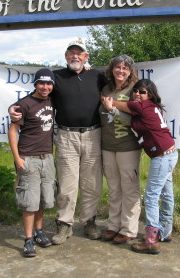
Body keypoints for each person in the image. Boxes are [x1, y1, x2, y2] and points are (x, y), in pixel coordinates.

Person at [10, 40, 107, 245]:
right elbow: (38, 95)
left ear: (86, 57)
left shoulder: (97, 75)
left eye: (79, 54)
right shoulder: (57, 77)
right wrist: (14, 106)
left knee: (92, 184)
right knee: (67, 185)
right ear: (65, 56)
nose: (75, 56)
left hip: (93, 135)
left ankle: (89, 221)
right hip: (66, 137)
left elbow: (116, 89)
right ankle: (64, 224)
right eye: (71, 53)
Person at [102, 79, 178, 255]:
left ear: (150, 95)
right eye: (135, 91)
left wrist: (106, 100)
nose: (137, 94)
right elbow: (128, 120)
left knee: (151, 197)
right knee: (167, 195)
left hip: (162, 156)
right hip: (169, 153)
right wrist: (112, 110)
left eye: (142, 92)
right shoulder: (148, 108)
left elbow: (114, 103)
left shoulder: (143, 106)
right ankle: (164, 233)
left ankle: (151, 240)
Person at [8, 68, 57, 257]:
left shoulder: (53, 101)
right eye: (41, 83)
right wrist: (17, 157)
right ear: (35, 84)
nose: (45, 87)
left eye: (49, 83)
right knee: (29, 202)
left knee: (43, 199)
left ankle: (39, 232)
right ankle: (28, 240)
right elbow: (13, 131)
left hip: (47, 157)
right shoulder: (24, 104)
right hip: (28, 158)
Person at [99, 55, 141, 244]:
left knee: (129, 188)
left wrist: (112, 105)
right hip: (108, 146)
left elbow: (138, 113)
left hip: (128, 146)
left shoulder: (135, 89)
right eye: (118, 67)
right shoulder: (106, 88)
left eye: (125, 68)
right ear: (112, 69)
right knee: (114, 188)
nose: (121, 71)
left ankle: (129, 229)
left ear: (131, 71)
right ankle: (113, 225)